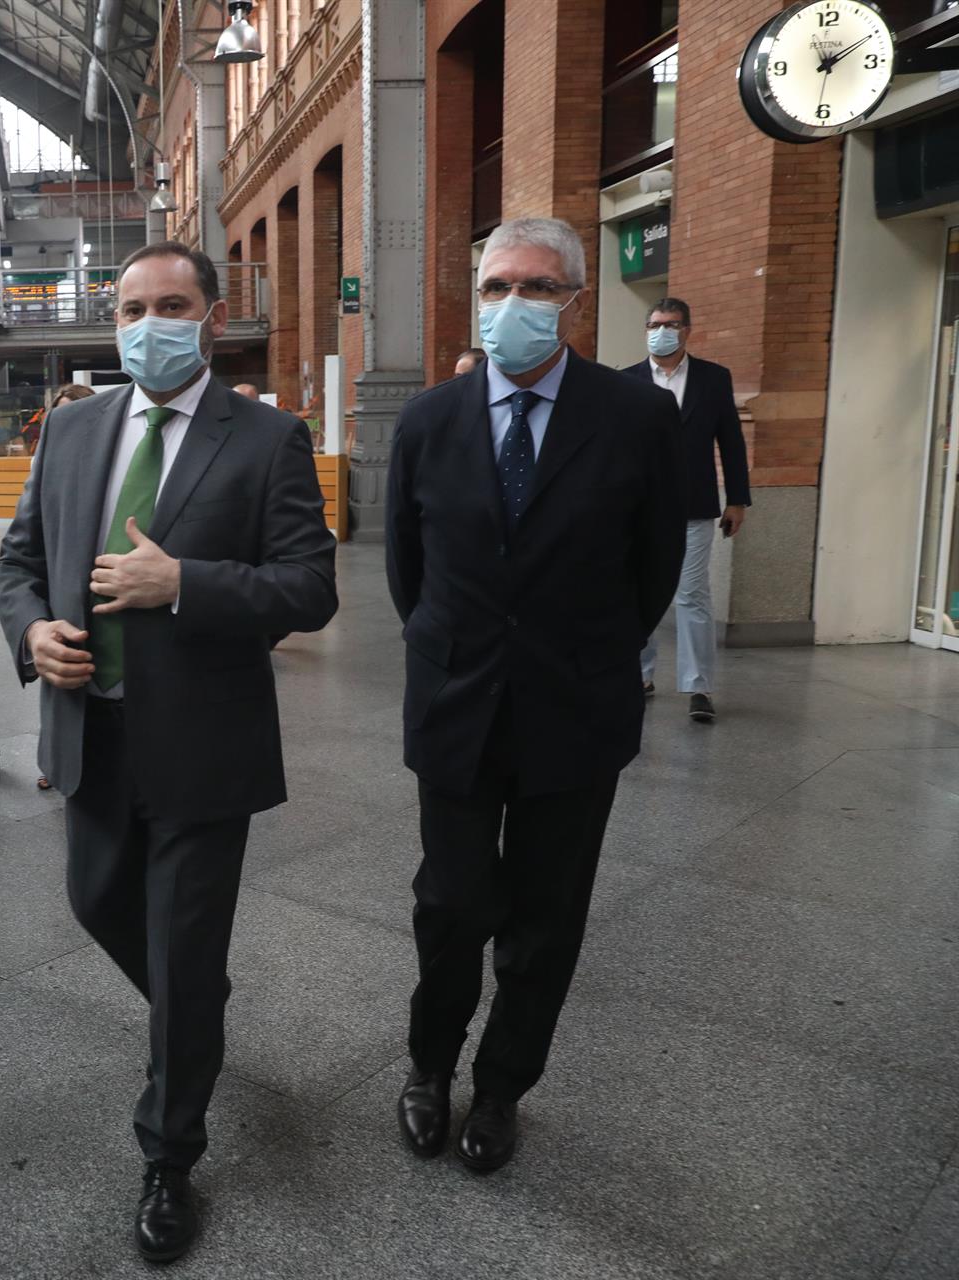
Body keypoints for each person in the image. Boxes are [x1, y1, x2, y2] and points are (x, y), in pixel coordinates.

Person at [0, 241, 338, 1264]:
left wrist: (183, 582)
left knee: (183, 958)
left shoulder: (269, 438)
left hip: (204, 741)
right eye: (134, 307)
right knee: (97, 903)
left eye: (172, 304)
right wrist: (30, 631)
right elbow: (15, 564)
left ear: (212, 316)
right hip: (90, 729)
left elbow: (309, 589)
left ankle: (169, 1153)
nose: (151, 323)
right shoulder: (71, 429)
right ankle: (198, 1017)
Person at [385, 217, 684, 1175]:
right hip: (457, 706)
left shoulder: (637, 417)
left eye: (539, 288)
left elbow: (654, 570)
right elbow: (406, 570)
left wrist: (583, 650)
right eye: (498, 286)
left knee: (545, 921)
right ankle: (428, 1068)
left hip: (575, 711)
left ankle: (502, 1088)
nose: (515, 305)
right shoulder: (432, 419)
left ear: (576, 303)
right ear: (478, 296)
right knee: (451, 907)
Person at [624, 299, 750, 723]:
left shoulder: (713, 379)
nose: (661, 331)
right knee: (638, 591)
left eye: (671, 324)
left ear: (687, 331)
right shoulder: (627, 381)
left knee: (691, 593)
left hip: (693, 504)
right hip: (637, 508)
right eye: (655, 324)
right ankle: (639, 675)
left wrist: (737, 499)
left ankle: (699, 688)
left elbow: (730, 440)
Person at [32, 382, 96, 793]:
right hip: (58, 597)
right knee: (55, 679)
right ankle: (53, 757)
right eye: (58, 412)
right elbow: (23, 552)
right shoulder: (47, 461)